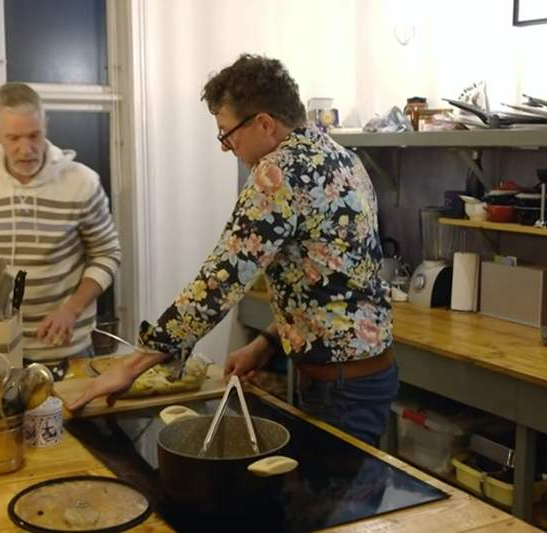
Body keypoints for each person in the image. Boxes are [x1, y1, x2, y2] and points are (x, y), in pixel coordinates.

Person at [68, 54, 397, 446]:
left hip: (339, 391)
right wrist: (266, 343)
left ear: (264, 124)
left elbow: (219, 282)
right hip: (369, 379)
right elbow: (329, 282)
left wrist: (132, 366)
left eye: (227, 133)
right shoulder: (344, 158)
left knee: (334, 486)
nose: (226, 147)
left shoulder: (277, 173)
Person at [0, 83, 121, 365]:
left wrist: (72, 309)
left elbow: (108, 254)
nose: (26, 149)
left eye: (34, 135)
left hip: (66, 348)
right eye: (13, 138)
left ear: (45, 126)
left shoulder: (82, 182)